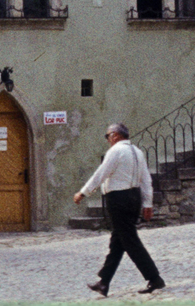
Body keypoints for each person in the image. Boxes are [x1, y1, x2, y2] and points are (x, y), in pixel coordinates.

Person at [73, 122, 165, 296]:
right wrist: (147, 203)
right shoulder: (137, 152)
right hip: (134, 198)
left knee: (129, 240)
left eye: (108, 136)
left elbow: (101, 174)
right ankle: (104, 282)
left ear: (115, 135)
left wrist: (83, 192)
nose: (108, 140)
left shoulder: (115, 151)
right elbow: (146, 180)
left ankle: (154, 278)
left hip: (118, 199)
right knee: (118, 241)